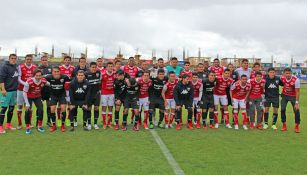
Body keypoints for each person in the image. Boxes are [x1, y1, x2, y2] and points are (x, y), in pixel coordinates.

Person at [45, 67, 70, 132]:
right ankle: (54, 125)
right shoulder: (48, 77)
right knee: (52, 109)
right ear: (52, 72)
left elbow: (69, 85)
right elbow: (41, 81)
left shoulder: (65, 77)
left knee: (63, 108)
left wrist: (68, 96)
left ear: (60, 72)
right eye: (54, 71)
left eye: (57, 71)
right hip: (53, 95)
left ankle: (62, 125)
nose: (56, 73)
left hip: (62, 95)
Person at [16, 54, 37, 129]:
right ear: (25, 59)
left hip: (30, 90)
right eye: (27, 59)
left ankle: (29, 123)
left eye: (30, 59)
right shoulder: (20, 67)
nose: (29, 60)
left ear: (32, 60)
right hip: (21, 89)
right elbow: (18, 78)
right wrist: (26, 84)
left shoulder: (34, 67)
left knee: (29, 107)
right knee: (20, 106)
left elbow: (35, 78)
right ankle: (19, 123)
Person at [23, 69, 47, 134]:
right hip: (28, 97)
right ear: (34, 75)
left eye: (40, 75)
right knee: (28, 111)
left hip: (37, 97)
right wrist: (27, 103)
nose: (38, 77)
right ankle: (27, 127)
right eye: (37, 75)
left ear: (42, 76)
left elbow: (49, 84)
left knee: (41, 110)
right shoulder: (29, 82)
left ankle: (39, 126)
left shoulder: (44, 81)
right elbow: (24, 92)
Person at [0, 54, 19, 134]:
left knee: (11, 108)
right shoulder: (4, 67)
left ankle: (8, 124)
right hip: (6, 91)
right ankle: (0, 126)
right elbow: (1, 79)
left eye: (15, 58)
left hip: (14, 91)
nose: (13, 60)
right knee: (4, 109)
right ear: (9, 58)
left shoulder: (16, 67)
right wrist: (3, 89)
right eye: (12, 58)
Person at [280, 68, 301, 133]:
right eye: (286, 73)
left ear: (291, 73)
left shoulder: (296, 80)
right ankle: (284, 125)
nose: (288, 75)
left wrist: (297, 102)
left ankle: (297, 125)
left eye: (289, 73)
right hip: (285, 95)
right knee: (282, 109)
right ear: (284, 74)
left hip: (293, 96)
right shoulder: (282, 78)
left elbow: (297, 92)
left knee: (296, 110)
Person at [59, 56, 75, 127]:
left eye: (69, 60)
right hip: (61, 89)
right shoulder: (60, 68)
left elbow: (74, 78)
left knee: (69, 105)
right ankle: (59, 119)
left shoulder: (73, 68)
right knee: (60, 106)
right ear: (64, 60)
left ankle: (68, 119)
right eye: (66, 60)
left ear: (70, 61)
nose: (67, 61)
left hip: (70, 90)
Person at [85, 62, 102, 130]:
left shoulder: (99, 73)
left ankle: (95, 123)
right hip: (89, 95)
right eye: (92, 67)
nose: (94, 68)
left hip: (97, 94)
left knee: (96, 108)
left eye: (95, 67)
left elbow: (101, 81)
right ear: (90, 67)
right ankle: (89, 123)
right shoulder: (86, 74)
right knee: (89, 108)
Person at [38, 55, 53, 127]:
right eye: (43, 60)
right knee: (40, 107)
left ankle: (48, 121)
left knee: (49, 106)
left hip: (49, 90)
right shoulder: (38, 69)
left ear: (48, 60)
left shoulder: (51, 68)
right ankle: (39, 121)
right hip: (40, 90)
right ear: (41, 61)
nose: (44, 61)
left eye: (45, 60)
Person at [101, 62, 115, 129]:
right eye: (109, 66)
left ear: (113, 67)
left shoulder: (114, 74)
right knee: (104, 108)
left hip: (112, 93)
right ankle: (104, 123)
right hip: (104, 94)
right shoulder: (103, 74)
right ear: (106, 67)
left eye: (111, 66)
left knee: (110, 108)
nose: (110, 67)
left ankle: (109, 123)